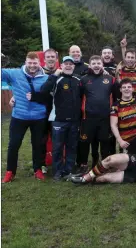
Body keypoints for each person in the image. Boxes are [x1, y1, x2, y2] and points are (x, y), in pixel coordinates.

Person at [1, 52, 49, 182]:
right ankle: (10, 171)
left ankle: (37, 169)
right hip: (19, 116)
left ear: (39, 63)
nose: (32, 66)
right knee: (14, 144)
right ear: (25, 62)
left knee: (38, 145)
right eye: (30, 63)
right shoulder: (15, 73)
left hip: (39, 117)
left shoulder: (45, 78)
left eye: (35, 63)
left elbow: (50, 96)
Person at [34, 56, 82, 181]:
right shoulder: (56, 78)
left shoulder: (78, 79)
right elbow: (44, 90)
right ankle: (57, 172)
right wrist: (54, 75)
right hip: (59, 120)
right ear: (61, 65)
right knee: (57, 148)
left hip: (74, 121)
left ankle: (69, 171)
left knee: (72, 147)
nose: (68, 66)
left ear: (74, 66)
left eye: (70, 64)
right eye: (66, 64)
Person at [77, 55, 115, 171]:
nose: (96, 65)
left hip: (104, 118)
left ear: (102, 64)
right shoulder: (83, 80)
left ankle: (104, 164)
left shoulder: (110, 79)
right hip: (87, 118)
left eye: (98, 63)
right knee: (84, 142)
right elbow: (78, 97)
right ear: (90, 65)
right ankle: (83, 164)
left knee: (104, 141)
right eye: (94, 63)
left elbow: (116, 95)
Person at [110, 78, 136, 155]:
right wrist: (120, 141)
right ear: (120, 90)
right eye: (124, 87)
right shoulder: (116, 106)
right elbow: (113, 125)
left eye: (129, 87)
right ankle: (133, 153)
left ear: (132, 89)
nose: (127, 89)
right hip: (127, 140)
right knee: (132, 163)